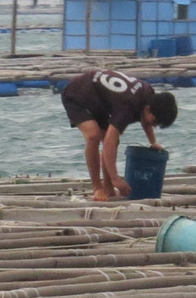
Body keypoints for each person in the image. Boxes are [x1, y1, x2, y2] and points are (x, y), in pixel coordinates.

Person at [60, 68, 178, 201]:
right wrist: (115, 178)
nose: (154, 125)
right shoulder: (127, 106)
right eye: (155, 121)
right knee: (94, 136)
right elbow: (109, 142)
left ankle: (108, 189)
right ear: (149, 109)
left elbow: (145, 120)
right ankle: (97, 188)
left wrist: (152, 142)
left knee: (112, 140)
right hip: (76, 94)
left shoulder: (149, 95)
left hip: (99, 101)